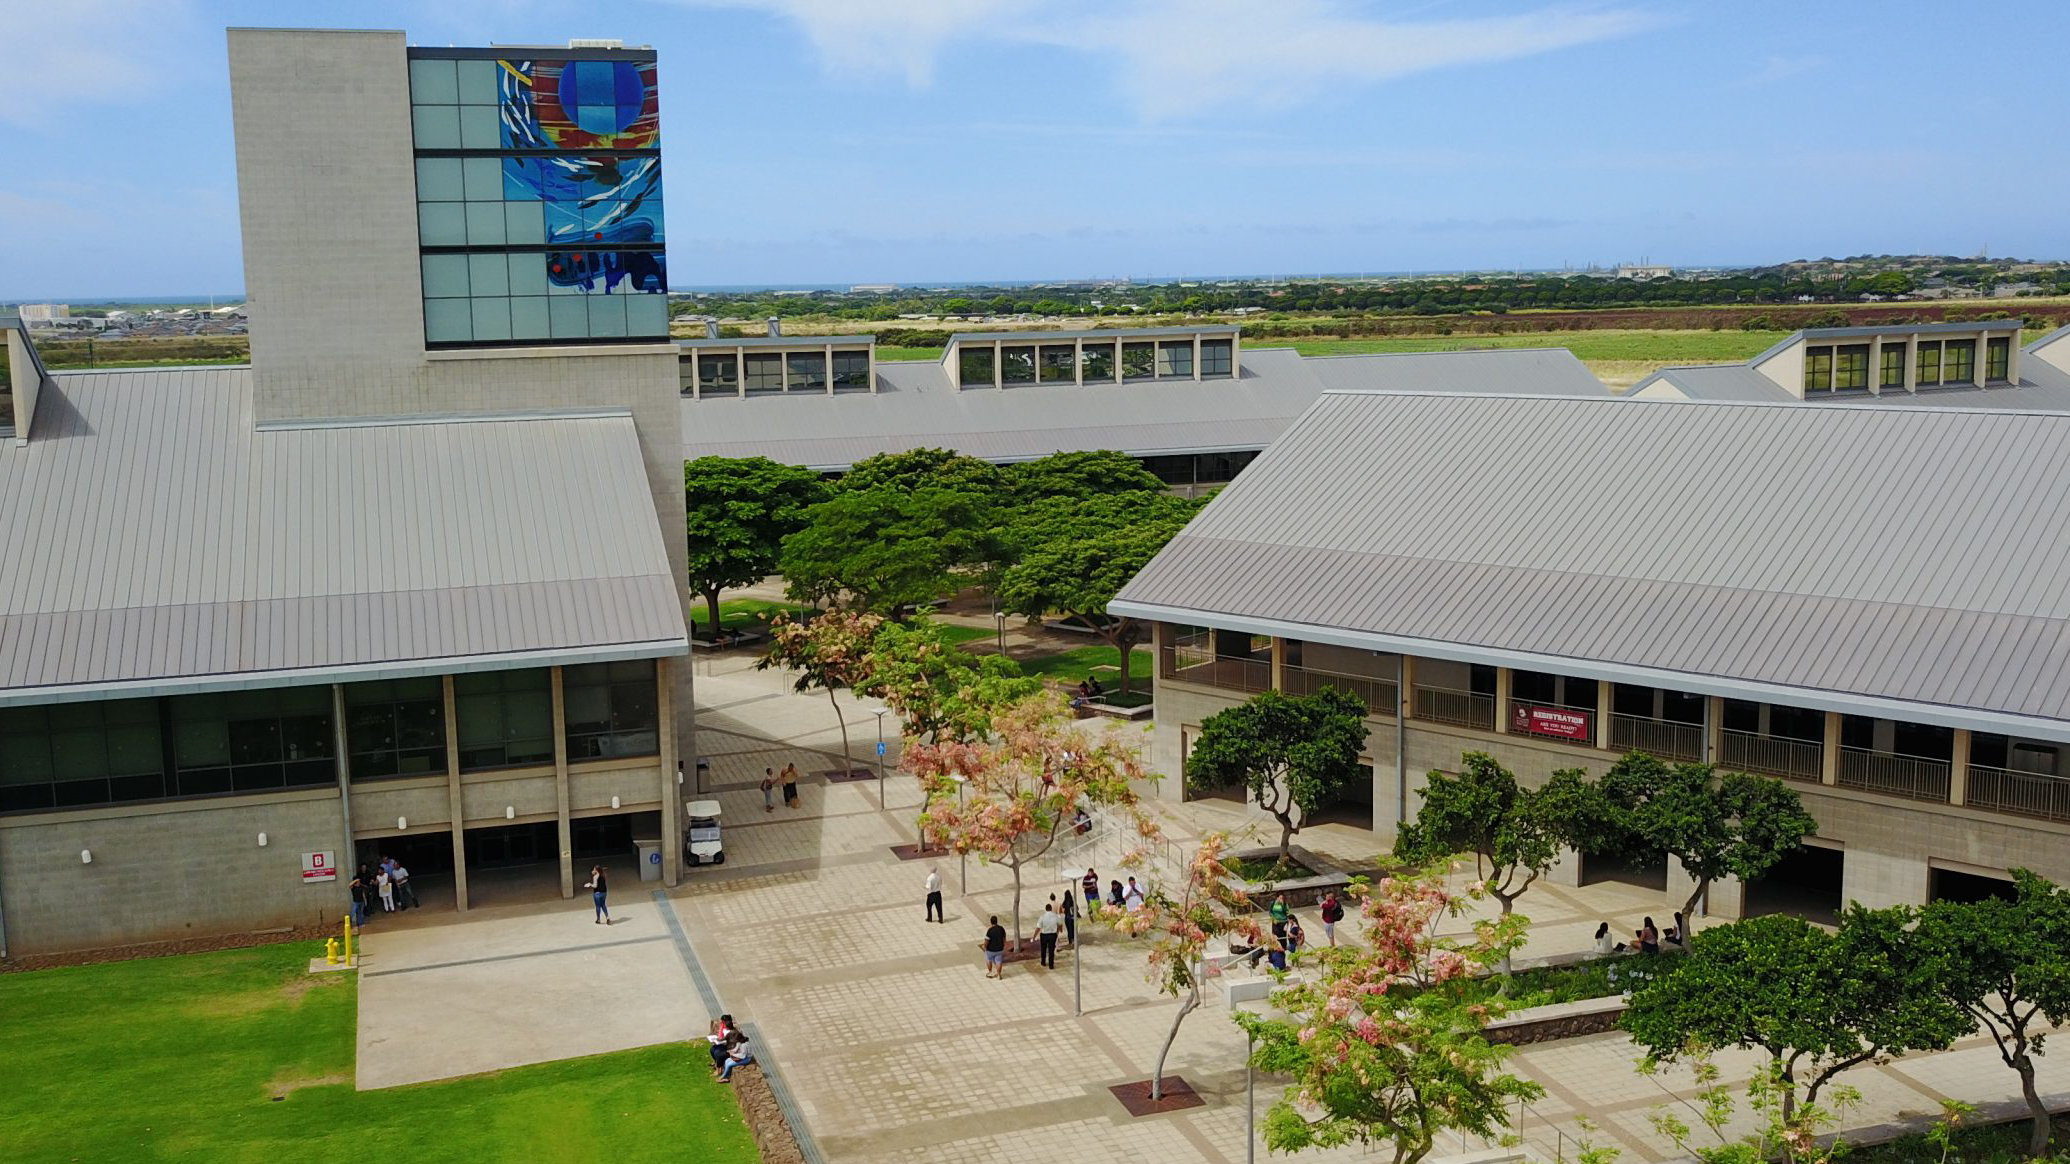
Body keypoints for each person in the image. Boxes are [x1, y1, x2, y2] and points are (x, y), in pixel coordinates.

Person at [1037, 901, 1062, 968]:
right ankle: (1051, 964)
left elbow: (1038, 927)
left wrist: (1034, 936)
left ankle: (1043, 962)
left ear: (1046, 909)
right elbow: (1060, 924)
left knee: (1043, 949)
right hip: (1052, 935)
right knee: (1051, 950)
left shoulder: (1042, 917)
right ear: (1051, 909)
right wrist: (1059, 930)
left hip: (1044, 934)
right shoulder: (1056, 916)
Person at [983, 914, 1007, 978]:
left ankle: (990, 972)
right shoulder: (1001, 928)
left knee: (988, 959)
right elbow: (1004, 937)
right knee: (998, 961)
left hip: (990, 949)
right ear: (997, 921)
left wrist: (984, 947)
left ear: (991, 922)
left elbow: (986, 941)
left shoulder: (990, 930)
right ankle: (999, 974)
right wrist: (1003, 944)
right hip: (999, 949)